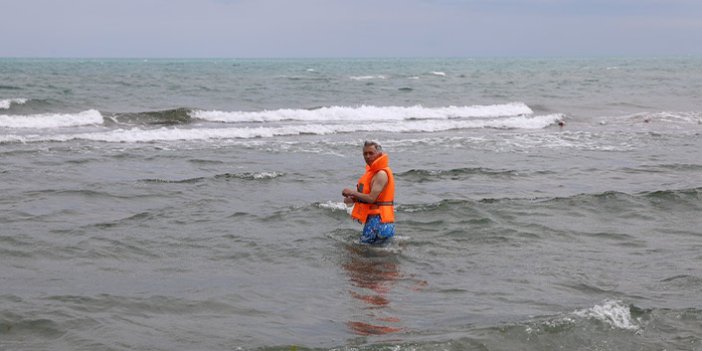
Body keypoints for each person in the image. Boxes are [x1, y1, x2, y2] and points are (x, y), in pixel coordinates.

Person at [342, 141, 395, 244]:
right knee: (373, 254)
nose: (367, 156)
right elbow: (366, 197)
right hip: (375, 220)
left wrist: (352, 192)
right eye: (365, 154)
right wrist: (352, 199)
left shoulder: (381, 174)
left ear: (379, 154)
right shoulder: (372, 173)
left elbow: (372, 198)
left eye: (371, 153)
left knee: (365, 252)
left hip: (380, 221)